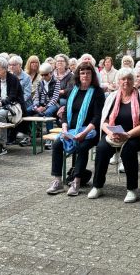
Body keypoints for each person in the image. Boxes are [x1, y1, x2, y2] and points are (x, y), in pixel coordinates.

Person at [88, 68, 140, 202]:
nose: (126, 81)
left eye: (129, 78)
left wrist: (127, 135)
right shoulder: (111, 97)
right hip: (114, 135)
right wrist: (111, 133)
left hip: (134, 136)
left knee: (128, 150)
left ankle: (131, 189)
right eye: (123, 79)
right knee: (101, 148)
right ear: (118, 81)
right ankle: (97, 186)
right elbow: (103, 121)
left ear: (134, 80)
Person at [46, 62, 105, 196]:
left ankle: (76, 181)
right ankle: (57, 181)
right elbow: (66, 112)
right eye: (82, 73)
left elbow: (97, 118)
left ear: (92, 75)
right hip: (71, 130)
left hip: (90, 132)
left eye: (88, 73)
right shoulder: (73, 90)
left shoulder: (97, 92)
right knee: (56, 144)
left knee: (82, 147)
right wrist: (65, 128)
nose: (85, 75)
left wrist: (84, 133)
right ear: (78, 75)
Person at [0, 57, 27, 154]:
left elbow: (12, 97)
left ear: (5, 69)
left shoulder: (13, 79)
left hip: (14, 105)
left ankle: (2, 145)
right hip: (2, 105)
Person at [7, 55, 32, 144]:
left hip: (24, 102)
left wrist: (17, 103)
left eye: (14, 65)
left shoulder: (26, 77)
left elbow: (27, 94)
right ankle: (9, 135)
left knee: (17, 111)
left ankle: (14, 136)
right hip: (11, 102)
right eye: (10, 65)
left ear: (20, 65)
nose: (11, 67)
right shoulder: (8, 77)